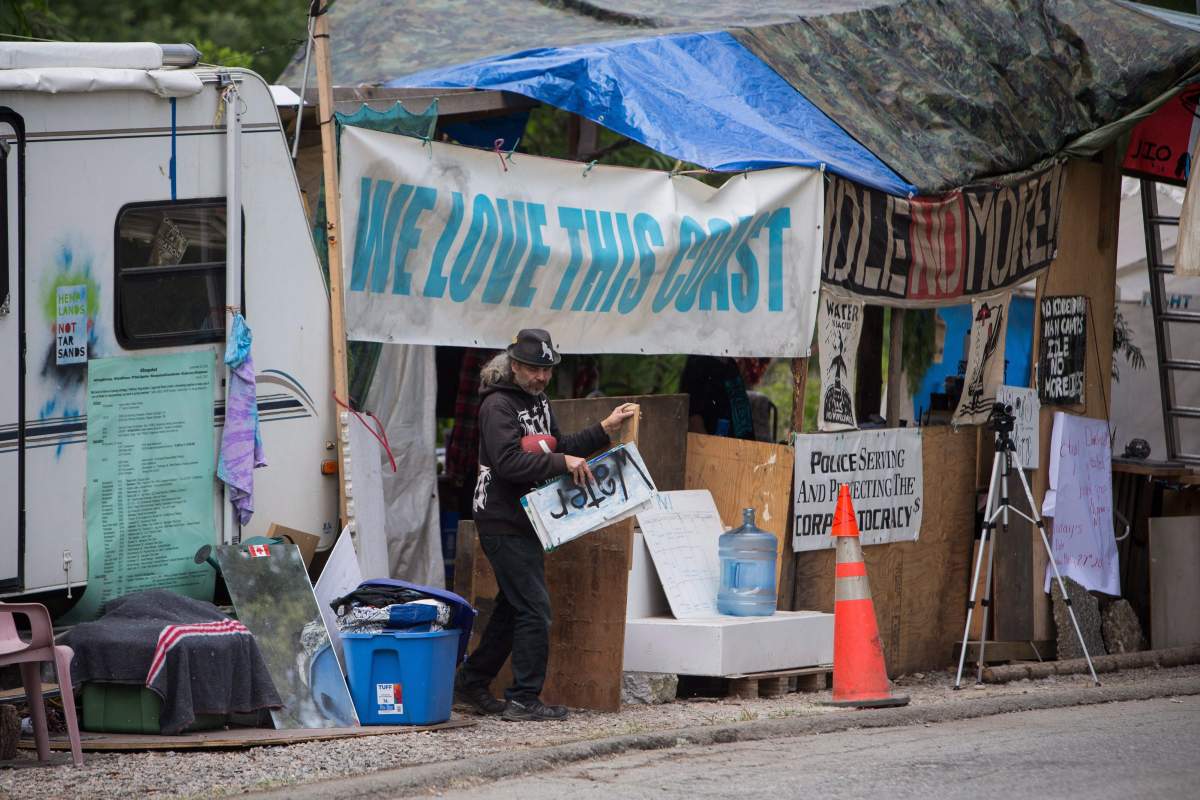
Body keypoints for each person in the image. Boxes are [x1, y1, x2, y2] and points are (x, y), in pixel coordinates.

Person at [455, 328, 637, 722]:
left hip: (531, 518)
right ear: (515, 365)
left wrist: (604, 430)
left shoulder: (539, 401)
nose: (542, 377)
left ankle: (472, 681)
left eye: (548, 370)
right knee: (535, 609)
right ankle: (523, 697)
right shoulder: (497, 406)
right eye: (535, 370)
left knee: (513, 606)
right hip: (501, 519)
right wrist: (561, 463)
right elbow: (507, 463)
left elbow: (559, 447)